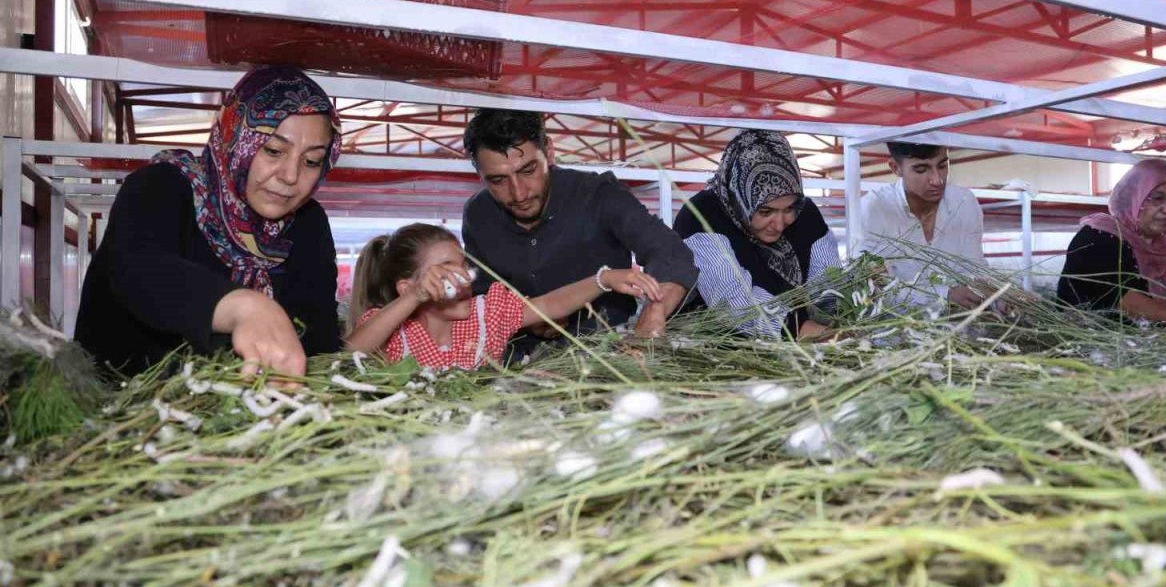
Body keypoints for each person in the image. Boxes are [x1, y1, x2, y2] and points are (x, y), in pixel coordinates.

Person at [75, 66, 342, 379]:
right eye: (273, 150)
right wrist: (243, 307)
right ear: (235, 135)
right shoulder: (162, 186)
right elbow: (139, 270)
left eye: (311, 161)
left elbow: (319, 335)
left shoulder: (307, 224)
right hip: (121, 406)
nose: (291, 176)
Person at [460, 109, 697, 352]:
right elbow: (480, 300)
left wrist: (654, 311)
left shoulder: (598, 194)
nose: (519, 193)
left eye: (528, 170)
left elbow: (671, 253)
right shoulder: (479, 216)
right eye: (498, 180)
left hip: (610, 349)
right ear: (479, 174)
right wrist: (526, 319)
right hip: (518, 360)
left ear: (549, 152)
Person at [345, 224, 663, 370]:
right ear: (407, 287)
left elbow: (550, 304)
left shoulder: (487, 313)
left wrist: (603, 279)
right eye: (445, 270)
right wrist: (413, 299)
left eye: (464, 266)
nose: (464, 277)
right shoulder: (393, 330)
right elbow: (351, 351)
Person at [673, 130, 842, 339]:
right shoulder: (702, 215)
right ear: (740, 198)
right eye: (765, 212)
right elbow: (734, 303)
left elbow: (827, 282)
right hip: (719, 347)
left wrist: (842, 313)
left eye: (789, 210)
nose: (780, 224)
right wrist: (802, 331)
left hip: (802, 343)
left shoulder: (805, 213)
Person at [1057, 158, 1166, 325]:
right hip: (1091, 342)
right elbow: (1120, 300)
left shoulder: (1164, 247)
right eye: (1157, 198)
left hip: (1148, 343)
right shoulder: (1099, 236)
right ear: (1133, 197)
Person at [858, 142, 988, 309]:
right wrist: (944, 294)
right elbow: (873, 287)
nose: (937, 180)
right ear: (895, 168)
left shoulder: (964, 202)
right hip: (895, 331)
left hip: (958, 329)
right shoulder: (874, 208)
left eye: (942, 165)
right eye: (921, 169)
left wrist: (997, 295)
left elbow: (975, 267)